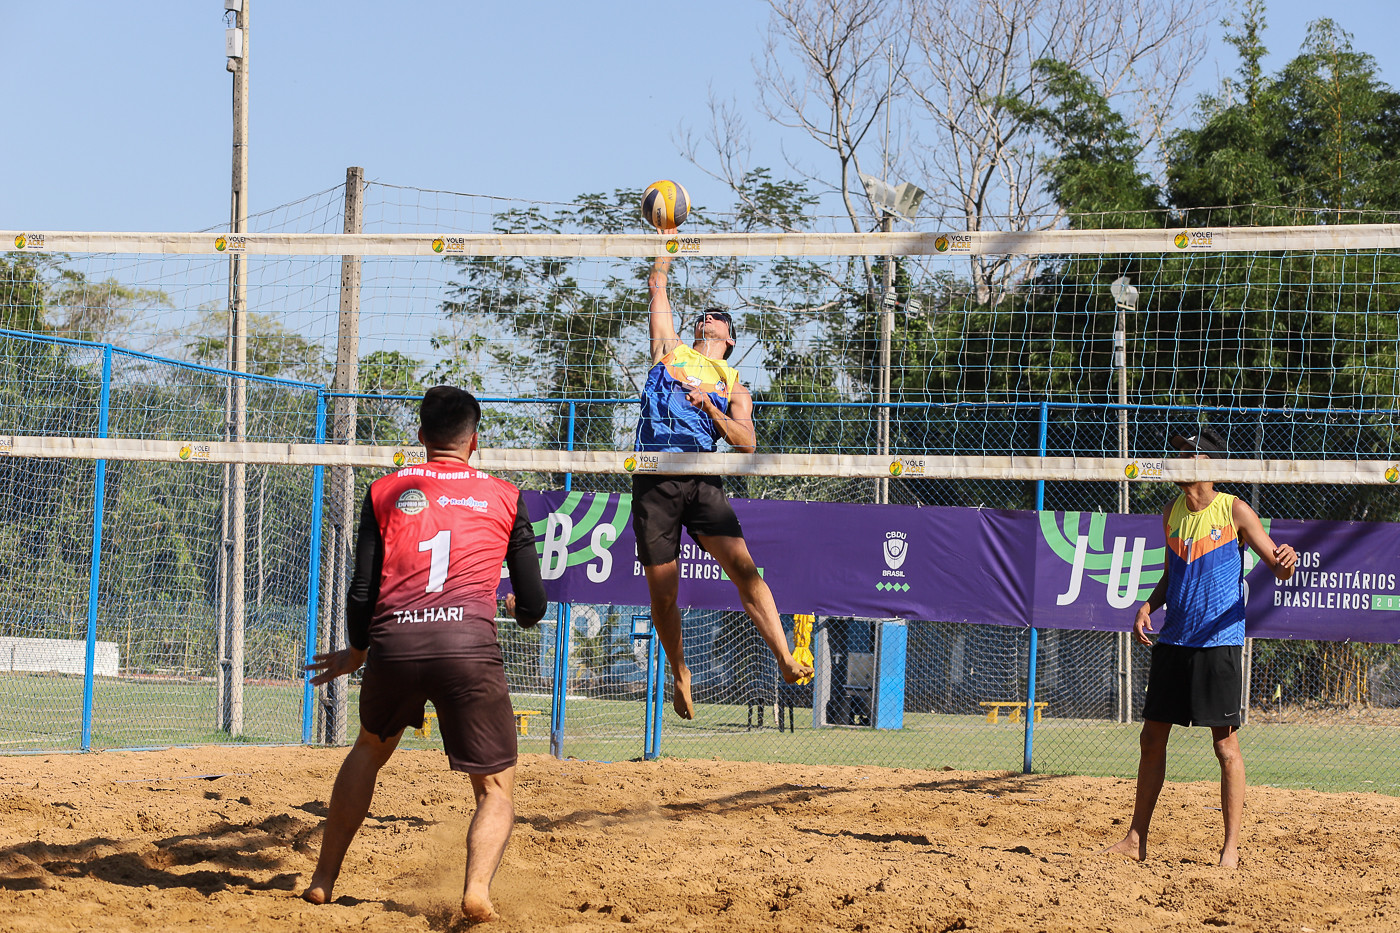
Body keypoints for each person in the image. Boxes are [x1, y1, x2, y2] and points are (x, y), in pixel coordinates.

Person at [301, 386, 547, 924]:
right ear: (474, 441)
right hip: (468, 651)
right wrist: (517, 609)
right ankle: (477, 889)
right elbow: (533, 603)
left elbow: (362, 590)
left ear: (420, 437)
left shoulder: (386, 489)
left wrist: (359, 650)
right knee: (496, 787)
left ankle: (323, 879)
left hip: (397, 644)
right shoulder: (505, 495)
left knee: (368, 750)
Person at [632, 232, 813, 719]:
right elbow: (656, 282)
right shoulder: (668, 351)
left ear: (728, 338)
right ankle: (680, 672)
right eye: (705, 315)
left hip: (702, 475)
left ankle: (783, 656)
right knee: (663, 593)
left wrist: (710, 407)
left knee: (746, 571)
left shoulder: (734, 382)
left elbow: (747, 441)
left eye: (718, 318)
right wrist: (666, 240)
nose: (707, 317)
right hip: (655, 474)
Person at [1103, 426, 1296, 868]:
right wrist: (1147, 605)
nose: (1175, 461)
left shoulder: (1235, 510)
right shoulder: (1171, 512)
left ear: (1207, 464)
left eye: (1185, 455)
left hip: (1218, 644)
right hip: (1174, 640)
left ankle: (1230, 849)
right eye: (1174, 454)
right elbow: (1173, 575)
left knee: (1225, 747)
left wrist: (1286, 560)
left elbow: (1277, 566)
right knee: (1151, 738)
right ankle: (1136, 839)